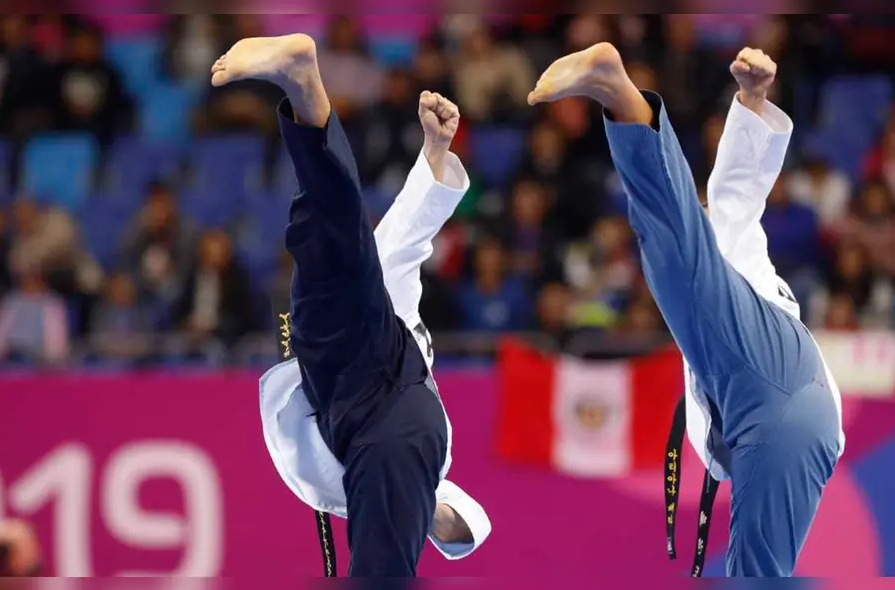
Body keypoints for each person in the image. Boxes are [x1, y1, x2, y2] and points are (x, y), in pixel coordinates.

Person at [528, 44, 843, 577]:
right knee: (755, 575)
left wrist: (752, 98)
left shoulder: (722, 241)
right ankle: (622, 102)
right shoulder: (700, 310)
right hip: (775, 423)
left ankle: (622, 99)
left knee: (672, 251)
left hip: (773, 369)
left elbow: (737, 189)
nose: (698, 212)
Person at [211, 35, 490, 577]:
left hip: (367, 410)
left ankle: (302, 86)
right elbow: (471, 526)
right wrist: (434, 157)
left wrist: (433, 156)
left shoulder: (352, 485)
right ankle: (302, 83)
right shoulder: (416, 442)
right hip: (375, 394)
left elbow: (464, 531)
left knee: (329, 244)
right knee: (336, 241)